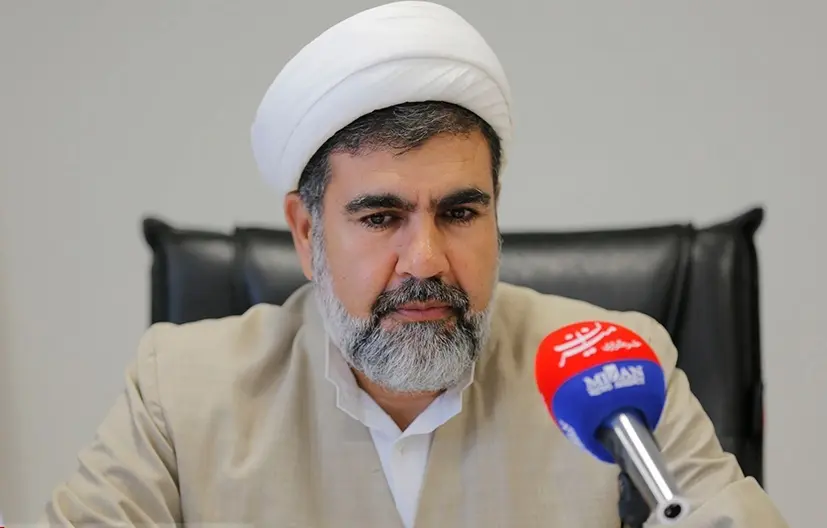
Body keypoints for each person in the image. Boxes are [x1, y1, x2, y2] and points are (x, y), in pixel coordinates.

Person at [42, 2, 789, 527]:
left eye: (460, 213)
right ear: (305, 232)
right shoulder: (179, 389)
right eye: (380, 218)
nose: (425, 260)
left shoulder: (609, 368)